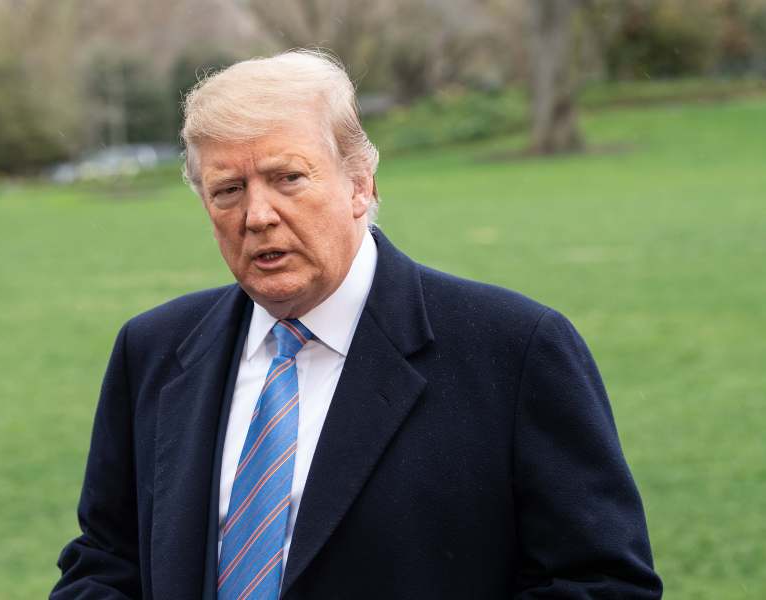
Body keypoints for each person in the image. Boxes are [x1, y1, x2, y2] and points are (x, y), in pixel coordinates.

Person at [52, 50, 662, 600]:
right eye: (227, 190)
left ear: (359, 184)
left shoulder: (514, 349)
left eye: (288, 177)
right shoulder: (154, 349)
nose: (257, 215)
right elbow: (107, 562)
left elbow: (605, 584)